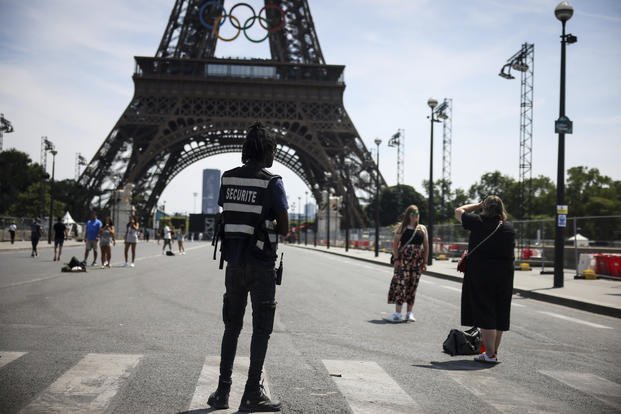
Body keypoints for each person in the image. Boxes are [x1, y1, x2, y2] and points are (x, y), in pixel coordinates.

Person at [208, 123, 288, 412]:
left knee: (231, 328)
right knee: (261, 329)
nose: (275, 155)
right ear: (265, 151)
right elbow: (285, 228)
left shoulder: (227, 179)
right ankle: (252, 392)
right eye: (273, 150)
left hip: (234, 263)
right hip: (262, 265)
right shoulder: (272, 182)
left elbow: (226, 215)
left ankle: (221, 392)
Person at [455, 195, 515, 364]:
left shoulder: (477, 222)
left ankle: (489, 354)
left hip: (482, 273)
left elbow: (459, 210)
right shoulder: (509, 228)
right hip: (505, 274)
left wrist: (477, 205)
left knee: (485, 310)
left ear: (485, 208)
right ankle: (493, 352)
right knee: (500, 311)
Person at [385, 205, 429, 322]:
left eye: (417, 215)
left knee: (413, 286)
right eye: (414, 215)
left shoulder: (422, 229)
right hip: (403, 261)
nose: (416, 217)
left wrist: (424, 262)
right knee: (400, 285)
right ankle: (398, 313)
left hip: (417, 262)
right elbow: (395, 245)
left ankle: (409, 313)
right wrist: (396, 259)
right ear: (409, 216)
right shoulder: (402, 228)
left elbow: (426, 246)